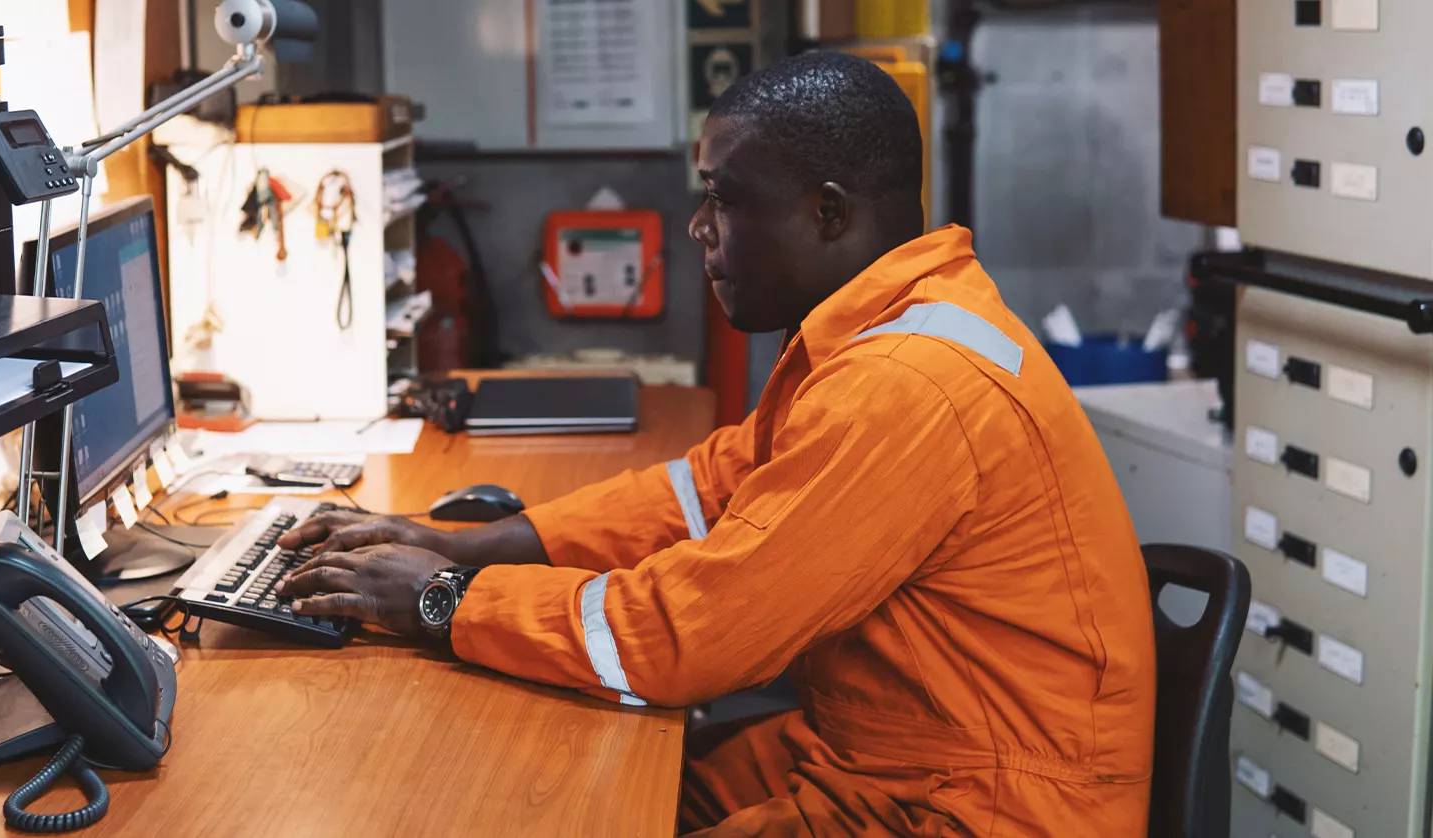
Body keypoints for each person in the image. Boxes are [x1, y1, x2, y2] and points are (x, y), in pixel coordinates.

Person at [275, 51, 1155, 837]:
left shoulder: (905, 388)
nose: (700, 228)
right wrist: (457, 542)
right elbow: (706, 488)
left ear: (827, 215)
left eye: (724, 199)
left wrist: (442, 600)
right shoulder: (884, 327)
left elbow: (687, 637)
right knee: (570, 782)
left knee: (562, 796)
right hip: (886, 753)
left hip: (981, 804)